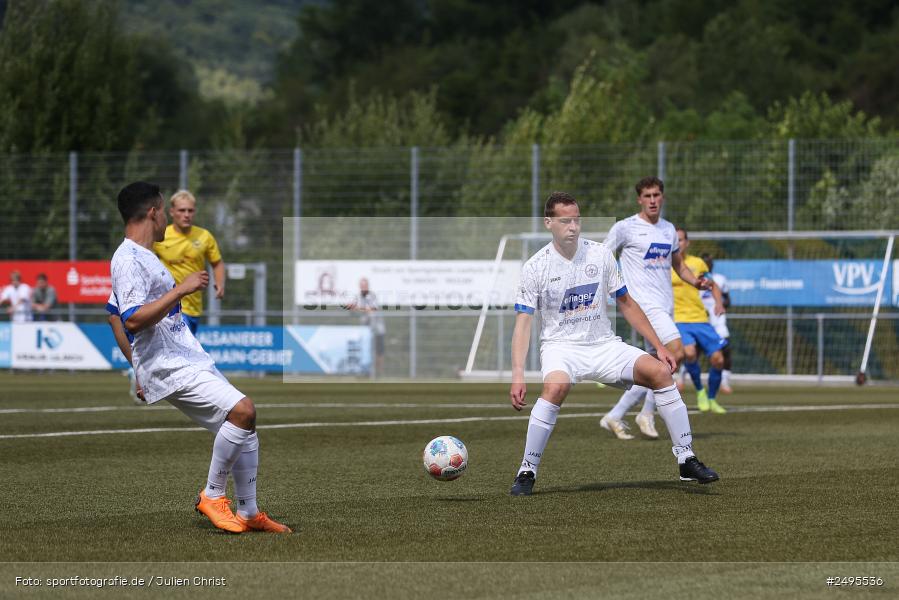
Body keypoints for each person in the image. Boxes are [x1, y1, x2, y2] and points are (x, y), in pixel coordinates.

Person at [508, 191, 718, 496]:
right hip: (561, 347)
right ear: (548, 223)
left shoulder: (600, 255)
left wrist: (658, 346)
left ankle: (687, 459)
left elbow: (627, 303)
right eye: (565, 221)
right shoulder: (535, 267)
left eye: (577, 219)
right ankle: (527, 469)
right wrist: (517, 373)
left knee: (660, 373)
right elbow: (523, 322)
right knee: (555, 388)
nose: (573, 227)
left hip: (604, 344)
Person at [108, 181, 289, 533]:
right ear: (154, 212)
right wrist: (181, 288)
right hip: (169, 364)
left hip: (185, 356)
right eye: (164, 210)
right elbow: (128, 318)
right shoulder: (128, 258)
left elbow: (113, 312)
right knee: (243, 410)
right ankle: (212, 495)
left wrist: (136, 370)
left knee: (245, 427)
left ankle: (249, 512)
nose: (167, 220)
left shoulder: (144, 257)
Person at [598, 177, 713, 441]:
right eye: (647, 196)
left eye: (656, 195)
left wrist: (696, 281)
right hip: (643, 305)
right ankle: (646, 413)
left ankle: (617, 415)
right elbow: (603, 256)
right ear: (639, 199)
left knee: (658, 366)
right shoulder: (625, 228)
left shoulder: (668, 230)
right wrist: (611, 287)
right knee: (675, 352)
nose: (652, 200)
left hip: (665, 305)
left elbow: (679, 265)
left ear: (662, 197)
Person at [153, 190, 225, 335]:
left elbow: (217, 262)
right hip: (169, 306)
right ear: (172, 212)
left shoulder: (204, 236)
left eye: (190, 210)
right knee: (180, 351)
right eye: (182, 210)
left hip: (194, 306)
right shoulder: (161, 236)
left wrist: (220, 283)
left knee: (183, 354)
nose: (186, 214)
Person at [673, 230, 728, 413]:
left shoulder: (698, 263)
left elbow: (712, 285)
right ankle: (699, 391)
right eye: (674, 240)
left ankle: (711, 398)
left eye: (680, 240)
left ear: (687, 243)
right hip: (678, 319)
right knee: (689, 353)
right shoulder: (663, 264)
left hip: (700, 319)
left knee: (719, 359)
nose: (677, 243)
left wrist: (719, 303)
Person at [700, 253, 733, 393]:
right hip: (700, 320)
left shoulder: (720, 279)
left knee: (725, 349)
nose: (708, 264)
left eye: (710, 262)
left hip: (718, 321)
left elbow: (728, 300)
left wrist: (720, 304)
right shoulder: (694, 280)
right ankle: (681, 379)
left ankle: (724, 381)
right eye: (704, 262)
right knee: (691, 352)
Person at [345, 278, 386, 376]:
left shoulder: (372, 296)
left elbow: (371, 310)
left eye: (365, 286)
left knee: (379, 353)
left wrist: (357, 308)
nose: (363, 288)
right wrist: (351, 308)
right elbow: (353, 308)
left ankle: (379, 374)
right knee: (366, 352)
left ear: (368, 286)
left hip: (377, 329)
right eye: (361, 286)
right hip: (365, 330)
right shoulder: (358, 297)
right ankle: (367, 373)